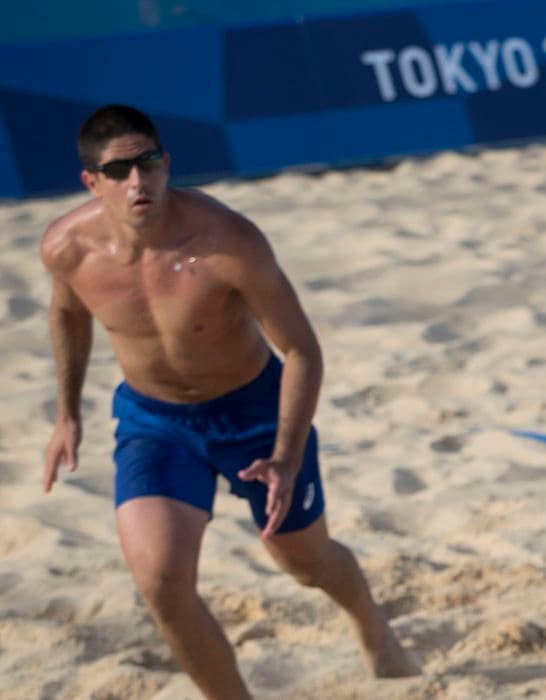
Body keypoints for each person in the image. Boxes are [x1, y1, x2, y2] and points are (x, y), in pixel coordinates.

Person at [40, 104, 419, 698]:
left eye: (148, 163)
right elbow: (67, 313)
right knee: (161, 584)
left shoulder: (227, 242)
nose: (138, 181)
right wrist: (66, 413)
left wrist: (286, 456)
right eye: (118, 171)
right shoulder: (68, 249)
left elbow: (302, 350)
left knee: (306, 563)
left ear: (167, 164)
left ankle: (372, 625)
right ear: (92, 181)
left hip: (254, 413)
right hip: (155, 422)